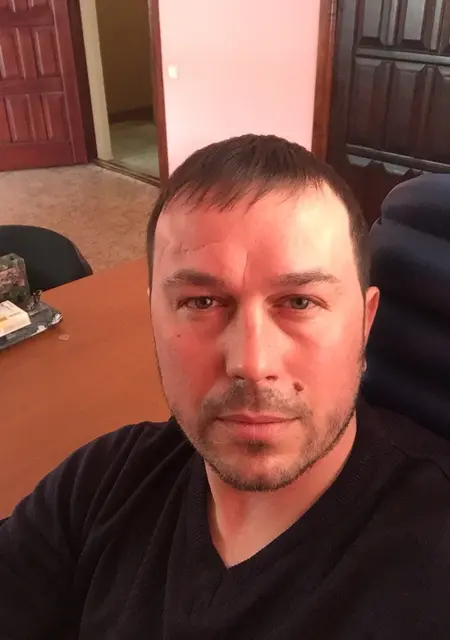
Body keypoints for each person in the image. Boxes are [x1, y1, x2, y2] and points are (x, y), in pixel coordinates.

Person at [1, 134, 450, 639]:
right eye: (201, 303)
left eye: (300, 302)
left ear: (365, 322)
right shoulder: (95, 486)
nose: (252, 364)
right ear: (153, 315)